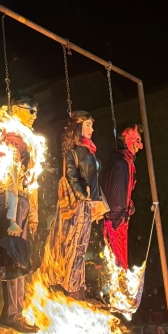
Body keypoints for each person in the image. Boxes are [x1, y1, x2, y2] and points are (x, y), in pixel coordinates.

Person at [0, 92, 43, 332]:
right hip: (10, 199)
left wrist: (32, 213)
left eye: (36, 110)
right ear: (16, 110)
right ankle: (11, 313)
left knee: (20, 258)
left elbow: (30, 181)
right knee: (12, 257)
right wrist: (13, 217)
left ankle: (17, 312)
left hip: (21, 199)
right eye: (29, 109)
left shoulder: (27, 139)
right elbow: (11, 177)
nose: (34, 114)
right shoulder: (13, 138)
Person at [41, 110, 106, 302]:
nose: (91, 129)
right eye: (87, 124)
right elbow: (71, 177)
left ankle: (76, 285)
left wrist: (97, 201)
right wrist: (82, 196)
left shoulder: (90, 152)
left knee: (82, 245)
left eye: (92, 125)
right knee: (73, 243)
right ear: (77, 127)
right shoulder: (73, 153)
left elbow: (93, 181)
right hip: (77, 206)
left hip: (88, 206)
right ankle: (71, 286)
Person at [99, 125, 142, 269]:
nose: (139, 146)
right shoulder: (120, 161)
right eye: (136, 141)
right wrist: (119, 215)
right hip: (116, 219)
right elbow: (116, 192)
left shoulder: (125, 160)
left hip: (119, 218)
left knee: (120, 260)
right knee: (117, 261)